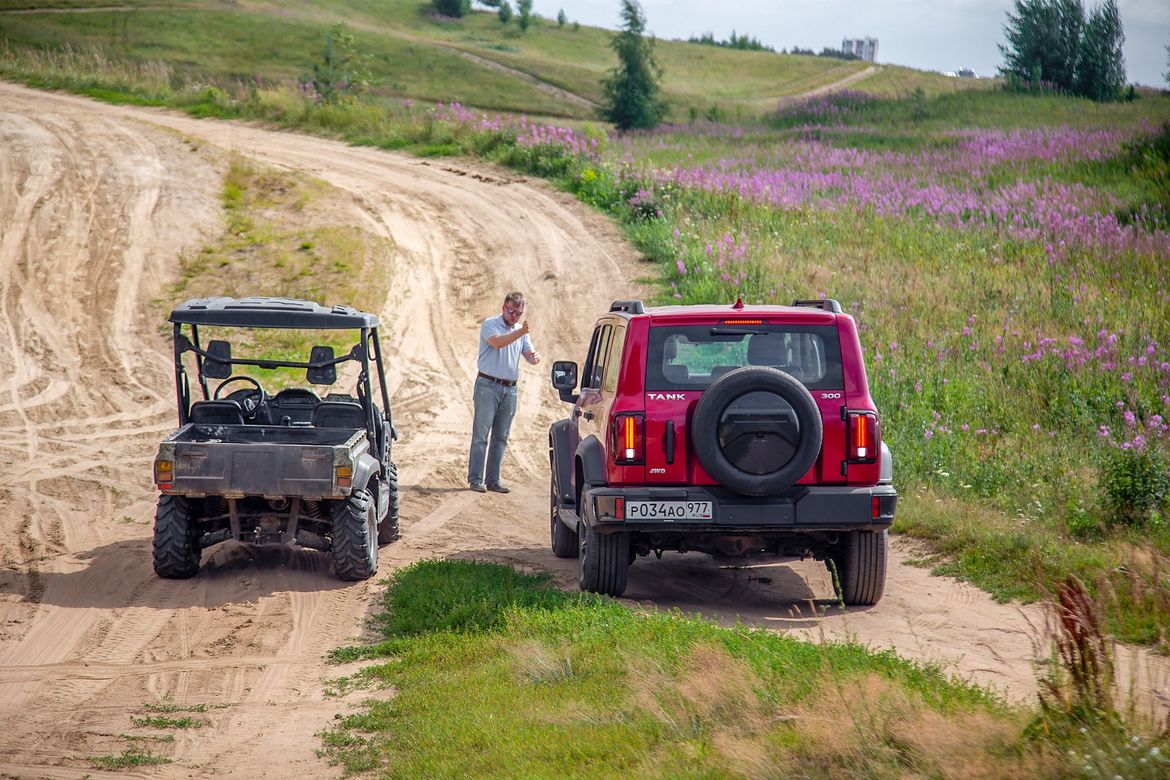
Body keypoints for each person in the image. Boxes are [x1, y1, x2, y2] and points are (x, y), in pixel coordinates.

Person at [468, 292, 540, 493]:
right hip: (487, 385)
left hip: (510, 389)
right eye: (511, 311)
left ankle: (493, 480)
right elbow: (498, 343)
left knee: (501, 437)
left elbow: (528, 354)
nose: (514, 316)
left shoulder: (520, 331)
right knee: (481, 435)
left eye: (518, 313)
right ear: (503, 308)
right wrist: (521, 331)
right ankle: (475, 479)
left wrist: (535, 357)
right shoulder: (490, 324)